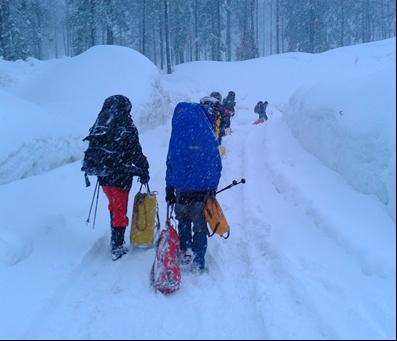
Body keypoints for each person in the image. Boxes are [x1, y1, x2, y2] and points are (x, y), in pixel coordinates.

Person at [82, 95, 150, 261]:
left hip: (103, 173)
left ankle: (116, 236)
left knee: (114, 205)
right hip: (120, 174)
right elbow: (135, 151)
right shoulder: (125, 124)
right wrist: (144, 168)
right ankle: (117, 246)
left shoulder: (101, 122)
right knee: (119, 209)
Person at [165, 102, 222, 273]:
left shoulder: (178, 137)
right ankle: (199, 262)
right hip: (202, 192)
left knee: (183, 220)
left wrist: (169, 187)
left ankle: (185, 250)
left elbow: (171, 163)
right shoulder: (208, 135)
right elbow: (216, 165)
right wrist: (212, 187)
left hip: (182, 191)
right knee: (200, 226)